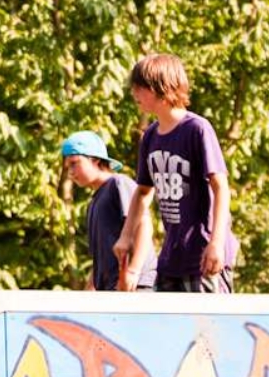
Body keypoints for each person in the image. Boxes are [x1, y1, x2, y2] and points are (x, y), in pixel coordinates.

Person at [114, 54, 238, 292]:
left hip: (202, 255)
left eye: (140, 88)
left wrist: (217, 243)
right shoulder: (150, 136)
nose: (134, 94)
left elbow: (220, 186)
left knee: (206, 328)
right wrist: (126, 235)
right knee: (165, 326)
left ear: (160, 87)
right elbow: (142, 192)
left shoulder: (197, 129)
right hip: (172, 256)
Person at [61, 130, 156, 291]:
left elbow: (144, 225)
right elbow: (100, 258)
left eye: (74, 163)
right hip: (111, 290)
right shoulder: (93, 203)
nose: (70, 172)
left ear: (95, 160)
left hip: (135, 286)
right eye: (67, 167)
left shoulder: (118, 184)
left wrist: (133, 271)